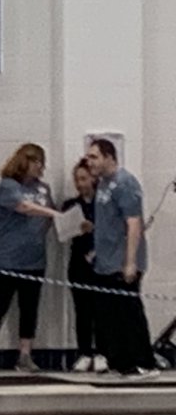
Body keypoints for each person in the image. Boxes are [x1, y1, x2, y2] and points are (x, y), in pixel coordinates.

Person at [0, 143, 61, 374]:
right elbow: (23, 207)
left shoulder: (43, 189)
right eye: (34, 162)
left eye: (41, 163)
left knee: (29, 308)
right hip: (5, 258)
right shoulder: (8, 186)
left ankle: (25, 354)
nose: (39, 167)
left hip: (33, 259)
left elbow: (50, 216)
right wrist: (52, 213)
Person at [84, 138, 157, 377]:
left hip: (121, 262)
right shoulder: (103, 184)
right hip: (104, 262)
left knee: (128, 313)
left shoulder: (125, 183)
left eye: (94, 157)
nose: (89, 161)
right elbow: (108, 223)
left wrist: (130, 261)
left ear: (109, 157)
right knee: (108, 316)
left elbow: (133, 223)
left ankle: (143, 362)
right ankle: (119, 362)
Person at [64, 158, 101, 371]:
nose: (80, 184)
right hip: (79, 263)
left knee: (101, 310)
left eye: (84, 179)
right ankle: (84, 351)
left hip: (100, 262)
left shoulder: (103, 204)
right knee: (82, 310)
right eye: (77, 179)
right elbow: (65, 231)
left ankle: (102, 351)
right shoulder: (71, 205)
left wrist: (94, 228)